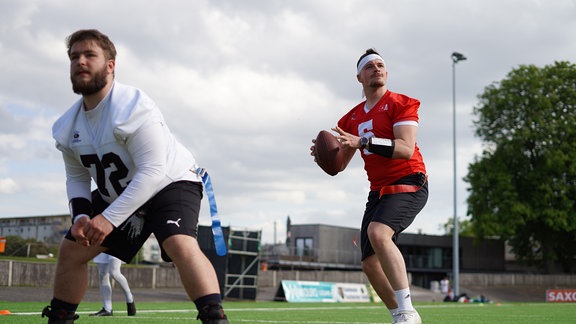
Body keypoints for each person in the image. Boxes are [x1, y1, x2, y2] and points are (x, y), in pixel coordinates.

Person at [41, 29, 228, 324]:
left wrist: (108, 219)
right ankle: (60, 317)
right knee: (71, 250)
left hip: (169, 181)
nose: (80, 61)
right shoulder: (67, 126)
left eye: (90, 55)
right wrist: (80, 216)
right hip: (121, 192)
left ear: (111, 65)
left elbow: (153, 171)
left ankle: (214, 317)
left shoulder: (132, 106)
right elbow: (77, 176)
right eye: (74, 56)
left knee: (178, 242)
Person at [311, 48, 428, 324]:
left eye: (380, 65)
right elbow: (338, 166)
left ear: (386, 73)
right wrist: (322, 156)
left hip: (409, 180)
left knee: (378, 232)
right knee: (369, 263)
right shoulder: (351, 118)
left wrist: (363, 142)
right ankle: (400, 316)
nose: (376, 69)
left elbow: (405, 149)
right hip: (378, 191)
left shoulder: (402, 103)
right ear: (359, 77)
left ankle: (408, 309)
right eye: (369, 66)